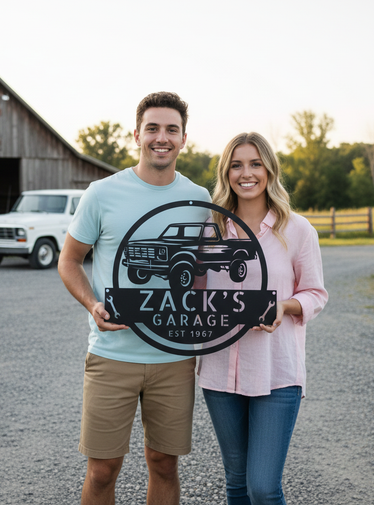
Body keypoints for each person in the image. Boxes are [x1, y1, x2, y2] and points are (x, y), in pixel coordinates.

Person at [58, 92, 211, 505]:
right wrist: (93, 304)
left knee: (163, 462)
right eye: (153, 128)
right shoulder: (102, 193)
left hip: (175, 355)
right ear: (137, 135)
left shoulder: (201, 200)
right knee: (103, 469)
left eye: (171, 130)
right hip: (112, 353)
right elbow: (69, 261)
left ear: (183, 139)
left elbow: (211, 272)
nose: (162, 137)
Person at [197, 132, 328, 505]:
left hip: (277, 373)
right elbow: (195, 295)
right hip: (220, 371)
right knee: (236, 482)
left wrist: (283, 307)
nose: (246, 173)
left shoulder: (298, 229)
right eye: (236, 165)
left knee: (263, 487)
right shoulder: (213, 229)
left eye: (255, 164)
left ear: (270, 170)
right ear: (226, 173)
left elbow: (315, 294)